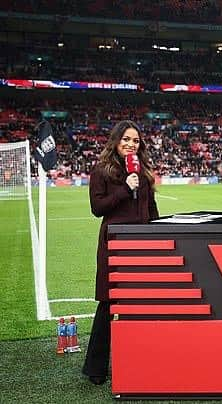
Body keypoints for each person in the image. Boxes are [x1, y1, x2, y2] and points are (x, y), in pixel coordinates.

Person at [82, 120, 158, 385]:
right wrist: (126, 189)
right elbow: (97, 207)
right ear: (116, 141)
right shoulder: (103, 170)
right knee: (109, 302)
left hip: (143, 243)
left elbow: (152, 209)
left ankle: (137, 360)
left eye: (135, 141)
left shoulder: (144, 171)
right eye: (126, 139)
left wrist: (159, 231)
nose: (131, 144)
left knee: (140, 304)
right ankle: (96, 368)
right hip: (115, 243)